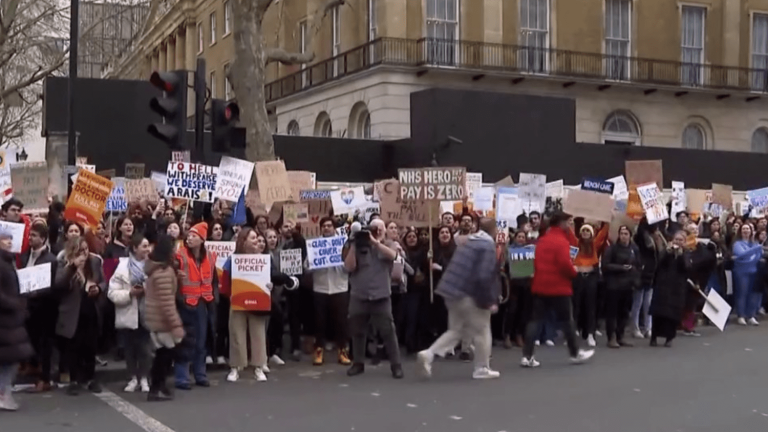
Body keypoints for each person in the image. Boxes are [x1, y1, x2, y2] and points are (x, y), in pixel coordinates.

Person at [417, 218, 502, 380]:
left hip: (450, 291)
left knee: (456, 330)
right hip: (468, 293)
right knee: (482, 330)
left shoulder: (469, 242)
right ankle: (482, 368)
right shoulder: (487, 245)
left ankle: (429, 354)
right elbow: (484, 276)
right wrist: (489, 300)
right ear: (493, 229)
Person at [221, 228, 298, 382]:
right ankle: (236, 367)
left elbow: (272, 277)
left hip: (257, 301)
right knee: (237, 334)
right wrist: (231, 294)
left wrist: (269, 285)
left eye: (257, 237)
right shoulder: (233, 259)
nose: (256, 240)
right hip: (238, 301)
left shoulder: (264, 259)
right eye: (253, 238)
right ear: (244, 240)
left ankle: (258, 366)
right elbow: (225, 280)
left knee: (258, 334)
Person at [521, 212, 594, 368]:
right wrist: (574, 271)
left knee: (535, 320)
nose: (569, 225)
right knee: (567, 321)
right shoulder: (561, 241)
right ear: (560, 223)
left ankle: (527, 355)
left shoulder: (542, 240)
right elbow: (564, 264)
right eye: (568, 222)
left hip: (540, 285)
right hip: (559, 287)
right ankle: (574, 353)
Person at [344, 219, 403, 378]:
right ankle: (358, 363)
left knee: (388, 331)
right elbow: (349, 267)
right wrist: (354, 244)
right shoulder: (357, 246)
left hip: (381, 295)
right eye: (373, 228)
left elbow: (393, 256)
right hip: (359, 295)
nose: (376, 231)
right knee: (357, 331)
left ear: (384, 230)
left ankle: (396, 365)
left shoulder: (389, 244)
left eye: (379, 229)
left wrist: (375, 242)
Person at [55, 236, 106, 395]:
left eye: (85, 250)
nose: (84, 254)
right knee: (73, 346)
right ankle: (74, 380)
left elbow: (104, 281)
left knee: (90, 345)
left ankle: (90, 378)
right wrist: (72, 268)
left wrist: (98, 288)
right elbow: (59, 284)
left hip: (90, 307)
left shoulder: (94, 262)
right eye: (80, 251)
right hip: (72, 311)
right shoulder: (64, 263)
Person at [174, 222, 218, 389]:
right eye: (189, 235)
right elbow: (172, 272)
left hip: (202, 303)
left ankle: (200, 374)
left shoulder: (211, 257)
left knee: (201, 341)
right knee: (184, 342)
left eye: (194, 235)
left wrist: (213, 300)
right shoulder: (180, 255)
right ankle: (182, 377)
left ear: (202, 239)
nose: (189, 238)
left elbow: (213, 281)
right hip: (184, 302)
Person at [108, 234, 152, 393]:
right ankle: (133, 378)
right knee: (130, 349)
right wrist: (130, 294)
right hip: (129, 313)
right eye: (144, 246)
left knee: (146, 349)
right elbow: (112, 292)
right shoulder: (122, 267)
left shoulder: (152, 266)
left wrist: (147, 291)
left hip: (147, 313)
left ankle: (145, 378)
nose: (147, 249)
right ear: (135, 248)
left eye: (148, 246)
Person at [144, 235, 184, 402]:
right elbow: (167, 302)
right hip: (161, 320)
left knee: (163, 353)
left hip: (155, 317)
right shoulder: (163, 272)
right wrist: (176, 325)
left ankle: (158, 386)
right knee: (165, 354)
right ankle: (156, 387)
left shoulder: (159, 269)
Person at [20, 223, 58, 392]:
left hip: (45, 308)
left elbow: (53, 285)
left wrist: (39, 292)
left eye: (34, 236)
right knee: (31, 339)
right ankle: (33, 366)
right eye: (30, 235)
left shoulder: (50, 259)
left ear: (43, 239)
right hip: (29, 306)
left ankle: (45, 378)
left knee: (45, 344)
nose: (31, 238)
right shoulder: (26, 256)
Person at [309, 217, 352, 366]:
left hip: (340, 287)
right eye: (324, 226)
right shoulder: (314, 245)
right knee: (319, 322)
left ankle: (342, 351)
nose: (327, 228)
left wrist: (339, 261)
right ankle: (319, 351)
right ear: (321, 229)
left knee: (341, 322)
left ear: (334, 228)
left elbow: (350, 267)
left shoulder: (344, 245)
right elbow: (305, 266)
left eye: (329, 226)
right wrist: (313, 263)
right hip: (320, 288)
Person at [0, 227, 33, 411]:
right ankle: (3, 393)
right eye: (5, 239)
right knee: (11, 358)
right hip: (6, 320)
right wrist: (14, 304)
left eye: (10, 239)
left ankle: (4, 392)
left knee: (10, 358)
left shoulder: (7, 261)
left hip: (10, 320)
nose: (9, 242)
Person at [601, 225, 641, 348]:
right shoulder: (612, 249)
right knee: (612, 312)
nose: (623, 236)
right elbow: (605, 265)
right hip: (614, 285)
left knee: (624, 313)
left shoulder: (634, 249)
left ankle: (620, 336)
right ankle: (611, 337)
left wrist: (636, 278)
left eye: (626, 234)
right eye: (621, 233)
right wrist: (621, 268)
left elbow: (638, 265)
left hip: (628, 285)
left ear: (630, 235)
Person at [649, 231, 691, 347]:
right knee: (658, 314)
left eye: (680, 240)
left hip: (677, 289)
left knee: (672, 315)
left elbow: (687, 268)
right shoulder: (666, 251)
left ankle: (669, 338)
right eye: (676, 239)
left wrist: (680, 255)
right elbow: (659, 264)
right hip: (663, 286)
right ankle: (654, 337)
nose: (678, 242)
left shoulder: (686, 253)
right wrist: (668, 253)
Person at [731, 223, 763, 326]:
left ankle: (751, 315)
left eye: (748, 229)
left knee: (753, 294)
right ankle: (741, 315)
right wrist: (754, 250)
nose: (746, 231)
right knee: (742, 293)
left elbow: (758, 256)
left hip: (753, 271)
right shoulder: (737, 244)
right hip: (741, 272)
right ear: (740, 231)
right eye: (744, 229)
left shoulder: (754, 243)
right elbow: (741, 254)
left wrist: (749, 258)